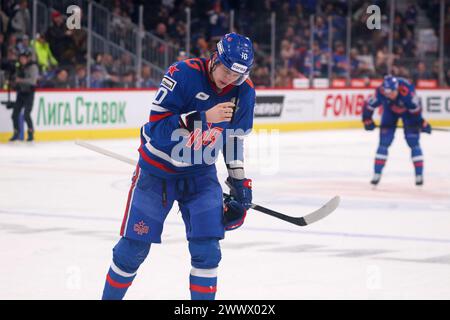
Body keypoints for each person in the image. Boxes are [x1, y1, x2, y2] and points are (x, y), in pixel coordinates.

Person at [101, 32, 255, 300]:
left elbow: (233, 138)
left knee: (207, 251)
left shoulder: (244, 91)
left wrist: (239, 181)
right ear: (215, 58)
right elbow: (158, 128)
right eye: (227, 71)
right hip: (157, 173)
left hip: (201, 176)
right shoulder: (182, 74)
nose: (230, 79)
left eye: (237, 76)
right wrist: (203, 118)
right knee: (132, 250)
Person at [362, 75, 432, 186]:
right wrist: (367, 120)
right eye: (387, 93)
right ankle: (377, 174)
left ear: (397, 89)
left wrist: (421, 123)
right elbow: (369, 105)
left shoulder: (408, 93)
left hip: (409, 114)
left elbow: (416, 111)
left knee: (413, 141)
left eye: (391, 93)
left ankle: (419, 175)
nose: (389, 95)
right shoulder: (381, 91)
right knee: (384, 142)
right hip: (390, 112)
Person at [9, 50, 38, 142]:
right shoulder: (20, 67)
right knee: (14, 114)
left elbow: (33, 81)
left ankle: (30, 133)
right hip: (21, 93)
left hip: (29, 93)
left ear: (27, 58)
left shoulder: (33, 67)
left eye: (23, 58)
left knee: (26, 114)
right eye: (20, 58)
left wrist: (20, 80)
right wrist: (13, 82)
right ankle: (16, 133)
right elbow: (16, 78)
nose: (22, 60)